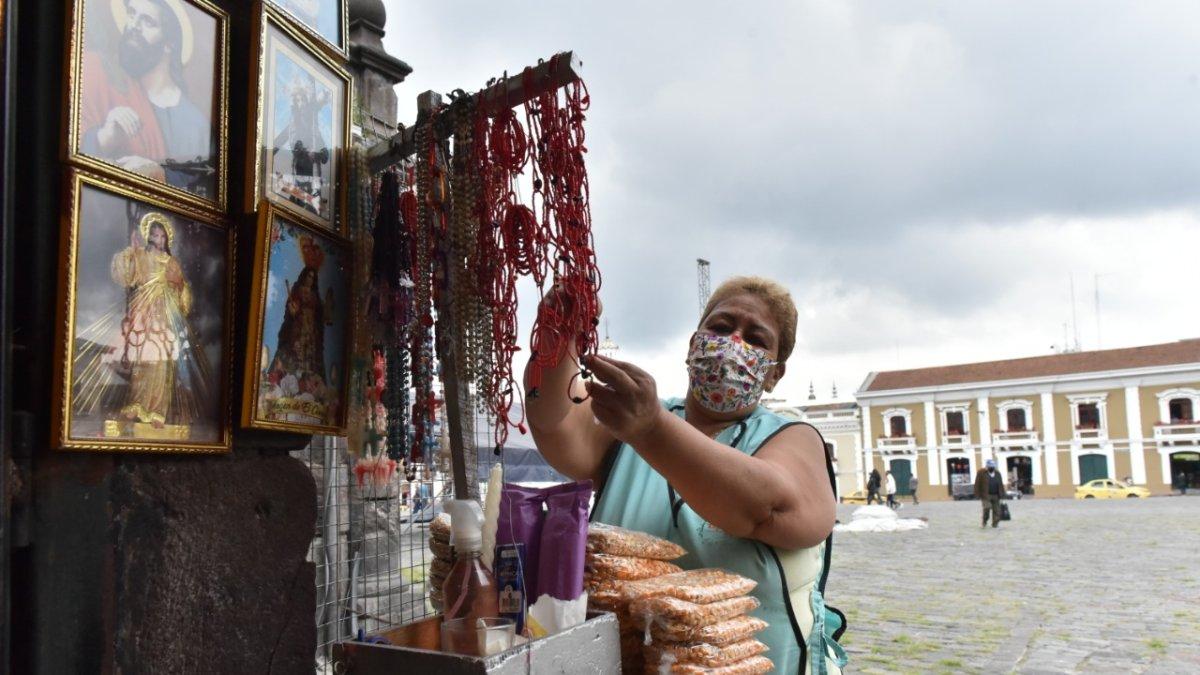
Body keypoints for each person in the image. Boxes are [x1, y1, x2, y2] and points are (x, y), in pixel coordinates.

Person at [527, 276, 846, 673]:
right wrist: (556, 339)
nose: (733, 343)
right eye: (721, 326)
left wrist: (652, 430)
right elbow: (556, 426)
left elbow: (764, 507)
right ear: (694, 344)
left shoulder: (792, 437)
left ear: (773, 375)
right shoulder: (630, 423)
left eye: (756, 339)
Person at [80, 0, 214, 195]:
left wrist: (159, 174)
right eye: (131, 14)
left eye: (148, 22)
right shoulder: (115, 84)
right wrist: (105, 137)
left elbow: (203, 185)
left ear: (170, 44)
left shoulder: (195, 124)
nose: (134, 25)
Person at [975, 459, 1004, 528]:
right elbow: (977, 484)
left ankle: (995, 524)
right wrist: (977, 494)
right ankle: (984, 521)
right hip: (985, 495)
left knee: (997, 510)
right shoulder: (981, 472)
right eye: (990, 466)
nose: (992, 468)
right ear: (987, 466)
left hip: (996, 495)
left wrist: (1002, 495)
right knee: (987, 507)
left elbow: (1000, 484)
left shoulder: (997, 473)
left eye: (993, 466)